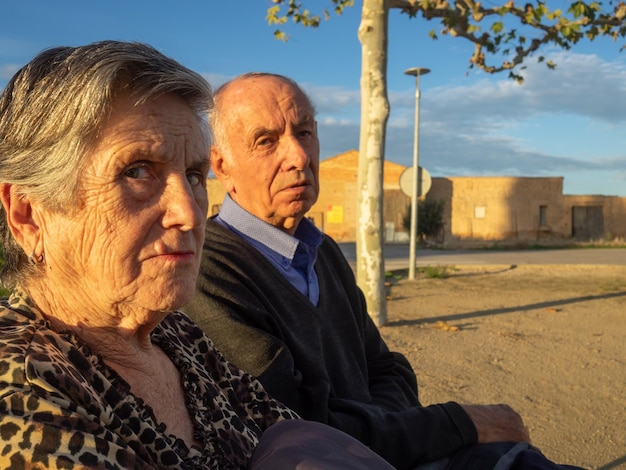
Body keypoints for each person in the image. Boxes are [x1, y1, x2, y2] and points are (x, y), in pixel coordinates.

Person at [0, 42, 395, 470]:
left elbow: (303, 432)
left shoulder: (178, 337)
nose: (189, 213)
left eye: (192, 175)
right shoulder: (23, 390)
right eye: (137, 172)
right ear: (29, 215)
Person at [185, 72, 583, 470]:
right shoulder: (208, 275)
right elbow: (301, 431)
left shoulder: (323, 253)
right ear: (221, 166)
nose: (299, 156)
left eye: (304, 132)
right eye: (266, 141)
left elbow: (386, 367)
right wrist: (457, 424)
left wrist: (388, 431)